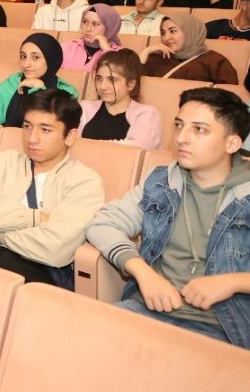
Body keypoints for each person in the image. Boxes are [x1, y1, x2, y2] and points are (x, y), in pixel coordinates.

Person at [87, 87, 250, 347]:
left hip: (223, 329)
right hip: (148, 309)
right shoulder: (163, 181)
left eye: (199, 130)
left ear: (232, 143)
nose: (182, 138)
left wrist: (233, 282)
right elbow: (103, 223)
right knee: (83, 343)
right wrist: (143, 273)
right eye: (179, 125)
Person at [0, 89, 105, 288]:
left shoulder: (84, 181)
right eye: (27, 126)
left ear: (69, 136)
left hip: (40, 271)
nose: (32, 138)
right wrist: (35, 218)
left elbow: (56, 248)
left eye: (45, 130)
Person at [0, 33, 81, 126]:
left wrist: (39, 90)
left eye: (35, 57)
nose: (26, 64)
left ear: (51, 59)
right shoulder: (9, 85)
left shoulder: (67, 93)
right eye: (23, 56)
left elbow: (52, 129)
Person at [78, 49, 162, 150]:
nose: (103, 86)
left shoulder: (146, 113)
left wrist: (86, 145)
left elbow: (136, 148)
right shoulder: (85, 108)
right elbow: (70, 141)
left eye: (112, 80)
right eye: (99, 79)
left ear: (131, 84)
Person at [139, 12, 238, 85]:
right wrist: (144, 53)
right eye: (163, 33)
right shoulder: (156, 58)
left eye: (173, 31)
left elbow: (229, 99)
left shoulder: (214, 61)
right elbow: (134, 88)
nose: (166, 38)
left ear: (190, 32)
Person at [60, 3, 123, 72]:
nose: (88, 29)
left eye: (95, 24)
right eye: (85, 22)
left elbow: (116, 76)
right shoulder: (68, 47)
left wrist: (106, 50)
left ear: (109, 28)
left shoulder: (121, 55)